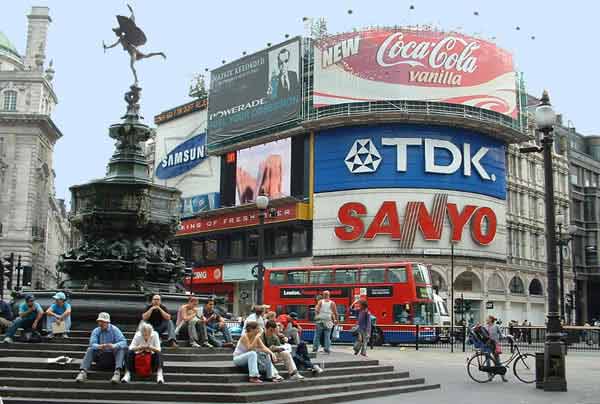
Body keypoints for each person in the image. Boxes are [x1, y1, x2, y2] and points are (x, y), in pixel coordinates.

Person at [75, 312, 128, 384]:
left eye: (103, 322)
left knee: (120, 349)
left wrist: (114, 345)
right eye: (99, 321)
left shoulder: (115, 330)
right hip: (101, 356)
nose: (101, 323)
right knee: (90, 349)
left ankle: (117, 373)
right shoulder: (96, 331)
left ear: (108, 322)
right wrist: (99, 346)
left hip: (113, 357)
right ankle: (83, 372)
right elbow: (92, 343)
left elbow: (124, 342)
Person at [484, 315, 507, 382]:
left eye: (487, 319)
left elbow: (501, 334)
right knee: (487, 361)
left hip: (494, 345)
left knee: (497, 361)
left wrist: (506, 337)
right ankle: (489, 376)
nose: (486, 320)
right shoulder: (485, 327)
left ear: (491, 320)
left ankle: (503, 376)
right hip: (487, 345)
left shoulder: (496, 326)